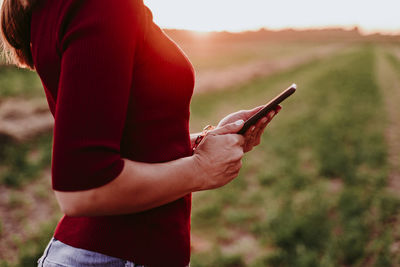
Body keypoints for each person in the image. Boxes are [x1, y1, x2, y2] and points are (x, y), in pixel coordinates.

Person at [0, 0, 281, 266]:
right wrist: (202, 169)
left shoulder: (62, 8)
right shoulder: (104, 6)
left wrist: (205, 142)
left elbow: (127, 140)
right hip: (118, 255)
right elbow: (83, 188)